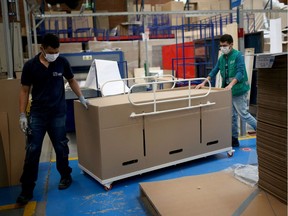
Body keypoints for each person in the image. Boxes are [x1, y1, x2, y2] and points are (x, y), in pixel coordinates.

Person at [17, 33, 89, 205]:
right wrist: (22, 115)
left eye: (57, 51)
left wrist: (81, 97)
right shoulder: (30, 66)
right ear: (42, 48)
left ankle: (65, 176)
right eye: (51, 52)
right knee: (33, 150)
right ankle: (27, 190)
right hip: (38, 114)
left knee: (61, 146)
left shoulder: (62, 62)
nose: (54, 55)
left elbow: (72, 81)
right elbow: (24, 90)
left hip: (58, 112)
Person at [196, 34, 257, 147]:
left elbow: (240, 72)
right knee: (232, 116)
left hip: (238, 90)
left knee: (243, 114)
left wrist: (231, 85)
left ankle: (262, 132)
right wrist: (204, 82)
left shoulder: (237, 55)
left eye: (225, 45)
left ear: (231, 45)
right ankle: (234, 139)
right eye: (221, 46)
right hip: (228, 91)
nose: (223, 48)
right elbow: (214, 71)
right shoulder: (222, 58)